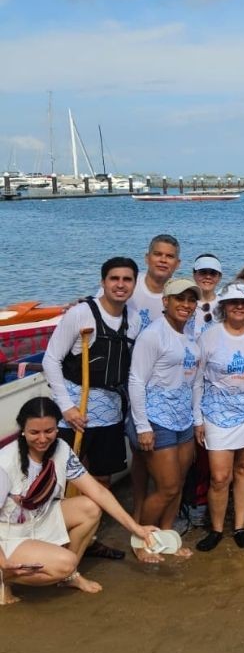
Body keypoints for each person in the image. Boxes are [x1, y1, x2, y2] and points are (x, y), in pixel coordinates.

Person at [3, 398, 166, 605]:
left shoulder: (61, 448)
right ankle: (4, 575)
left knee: (90, 507)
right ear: (23, 430)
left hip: (38, 519)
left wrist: (136, 528)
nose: (43, 439)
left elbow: (97, 491)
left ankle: (69, 576)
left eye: (49, 431)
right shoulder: (6, 461)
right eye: (34, 432)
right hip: (8, 534)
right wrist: (3, 561)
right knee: (65, 563)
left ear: (57, 428)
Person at [42, 256, 138, 536]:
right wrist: (67, 408)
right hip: (76, 409)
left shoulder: (132, 319)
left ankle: (89, 537)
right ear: (103, 282)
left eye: (127, 279)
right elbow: (51, 361)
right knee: (62, 477)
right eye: (114, 279)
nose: (120, 285)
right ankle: (56, 537)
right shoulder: (81, 313)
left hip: (110, 410)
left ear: (133, 284)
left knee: (102, 478)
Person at [192, 283, 244, 551]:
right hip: (216, 410)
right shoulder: (209, 335)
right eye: (233, 302)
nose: (239, 306)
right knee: (219, 476)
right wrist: (198, 419)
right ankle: (216, 530)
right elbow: (197, 380)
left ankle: (239, 527)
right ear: (224, 306)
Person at [126, 278, 201, 549]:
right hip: (156, 419)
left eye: (191, 300)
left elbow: (195, 381)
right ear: (165, 301)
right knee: (167, 487)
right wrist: (142, 426)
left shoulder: (191, 334)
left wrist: (196, 419)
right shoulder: (153, 335)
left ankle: (167, 537)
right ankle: (141, 541)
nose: (186, 304)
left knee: (178, 485)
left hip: (183, 419)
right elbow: (136, 380)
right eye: (179, 298)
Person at [130, 233, 181, 333]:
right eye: (157, 254)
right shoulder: (127, 284)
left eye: (169, 256)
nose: (163, 260)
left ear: (177, 264)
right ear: (147, 258)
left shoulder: (181, 295)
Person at [188, 254, 223, 339]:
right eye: (203, 272)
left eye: (213, 273)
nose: (208, 277)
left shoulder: (225, 306)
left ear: (219, 277)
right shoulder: (185, 304)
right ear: (194, 274)